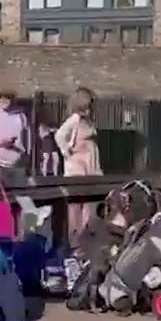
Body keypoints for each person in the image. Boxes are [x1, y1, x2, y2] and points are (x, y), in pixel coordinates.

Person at [57, 87, 103, 239]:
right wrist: (67, 152)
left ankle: (86, 235)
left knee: (90, 205)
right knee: (76, 206)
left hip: (91, 166)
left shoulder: (88, 121)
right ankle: (75, 238)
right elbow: (60, 135)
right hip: (78, 167)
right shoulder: (75, 119)